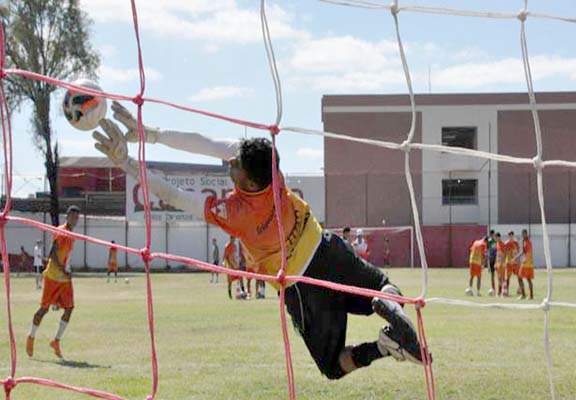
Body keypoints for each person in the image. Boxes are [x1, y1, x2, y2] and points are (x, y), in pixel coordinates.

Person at [93, 103, 430, 379]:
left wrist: (126, 162)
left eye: (235, 165)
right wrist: (151, 135)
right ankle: (391, 313)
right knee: (383, 285)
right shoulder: (271, 168)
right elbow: (207, 143)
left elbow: (174, 195)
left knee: (332, 366)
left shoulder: (235, 212)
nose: (231, 162)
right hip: (326, 248)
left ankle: (381, 348)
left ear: (250, 182)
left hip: (301, 285)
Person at [26, 205, 80, 358]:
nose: (75, 220)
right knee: (44, 309)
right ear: (67, 216)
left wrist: (68, 270)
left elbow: (65, 257)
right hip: (53, 276)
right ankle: (31, 336)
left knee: (69, 308)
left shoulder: (72, 236)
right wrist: (63, 270)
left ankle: (56, 341)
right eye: (73, 216)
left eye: (77, 217)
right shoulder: (61, 231)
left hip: (64, 278)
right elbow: (52, 254)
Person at [511, 229, 534, 300]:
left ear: (526, 234)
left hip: (526, 263)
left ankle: (527, 295)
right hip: (528, 263)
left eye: (524, 234)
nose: (523, 235)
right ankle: (529, 295)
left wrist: (515, 258)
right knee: (526, 278)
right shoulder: (525, 241)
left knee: (521, 277)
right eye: (523, 234)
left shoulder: (528, 242)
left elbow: (523, 252)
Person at [504, 231, 519, 297]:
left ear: (513, 235)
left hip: (515, 263)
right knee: (508, 278)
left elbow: (518, 252)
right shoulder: (506, 243)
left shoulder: (516, 243)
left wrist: (517, 259)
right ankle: (506, 291)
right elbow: (505, 253)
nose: (510, 237)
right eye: (509, 236)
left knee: (519, 276)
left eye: (511, 236)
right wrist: (504, 261)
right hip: (509, 263)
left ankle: (520, 289)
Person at [494, 233, 506, 297]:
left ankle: (503, 292)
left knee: (502, 278)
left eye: (496, 238)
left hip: (501, 264)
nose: (495, 239)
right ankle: (499, 293)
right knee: (499, 278)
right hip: (498, 263)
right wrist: (495, 264)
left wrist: (503, 262)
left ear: (499, 237)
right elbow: (497, 254)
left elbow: (504, 254)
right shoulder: (497, 244)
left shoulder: (503, 244)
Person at [486, 229, 496, 295]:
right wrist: (488, 264)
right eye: (492, 234)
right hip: (492, 259)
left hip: (495, 259)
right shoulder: (490, 241)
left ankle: (499, 289)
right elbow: (488, 251)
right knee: (492, 275)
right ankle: (493, 288)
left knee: (496, 275)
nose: (492, 236)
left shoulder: (495, 241)